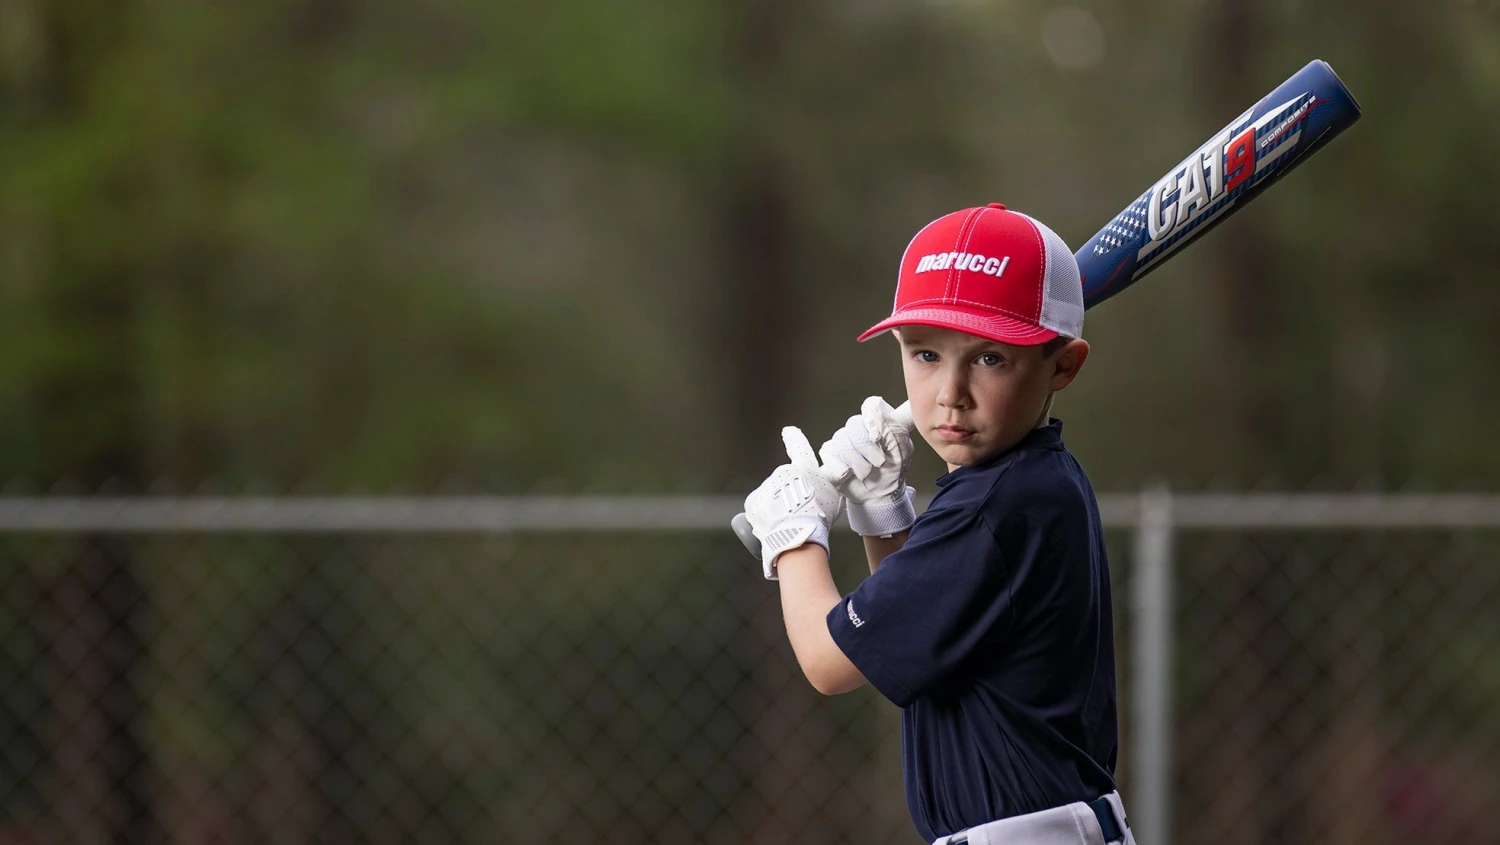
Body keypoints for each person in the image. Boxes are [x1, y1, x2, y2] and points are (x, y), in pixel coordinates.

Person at [743, 203, 1135, 844]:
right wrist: (882, 513)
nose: (950, 392)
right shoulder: (1024, 483)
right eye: (926, 354)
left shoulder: (995, 505)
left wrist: (793, 536)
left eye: (990, 359)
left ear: (1062, 365)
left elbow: (829, 662)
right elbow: (914, 635)